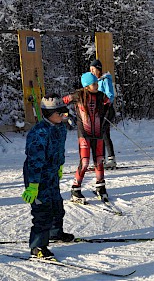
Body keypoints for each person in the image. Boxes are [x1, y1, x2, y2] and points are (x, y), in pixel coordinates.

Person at [22, 93, 74, 259]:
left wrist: (59, 166)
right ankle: (37, 246)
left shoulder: (60, 128)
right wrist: (33, 185)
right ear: (48, 114)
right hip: (37, 176)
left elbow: (60, 150)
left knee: (57, 205)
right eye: (60, 114)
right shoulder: (39, 133)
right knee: (42, 211)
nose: (64, 116)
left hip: (52, 173)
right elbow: (34, 162)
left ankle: (55, 232)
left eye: (64, 113)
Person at [63, 72, 111, 203]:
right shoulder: (78, 95)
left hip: (98, 132)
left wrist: (106, 118)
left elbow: (109, 103)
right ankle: (75, 189)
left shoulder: (101, 96)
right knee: (84, 161)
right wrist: (67, 116)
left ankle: (100, 187)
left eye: (97, 83)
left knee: (99, 160)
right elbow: (61, 103)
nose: (96, 86)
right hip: (84, 133)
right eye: (94, 84)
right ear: (86, 85)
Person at [89, 59, 117, 169]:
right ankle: (104, 159)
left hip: (107, 109)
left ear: (98, 69)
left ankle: (108, 159)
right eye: (90, 70)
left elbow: (110, 95)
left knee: (102, 133)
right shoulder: (94, 82)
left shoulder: (105, 79)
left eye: (93, 69)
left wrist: (104, 103)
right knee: (102, 134)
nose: (92, 72)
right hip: (100, 110)